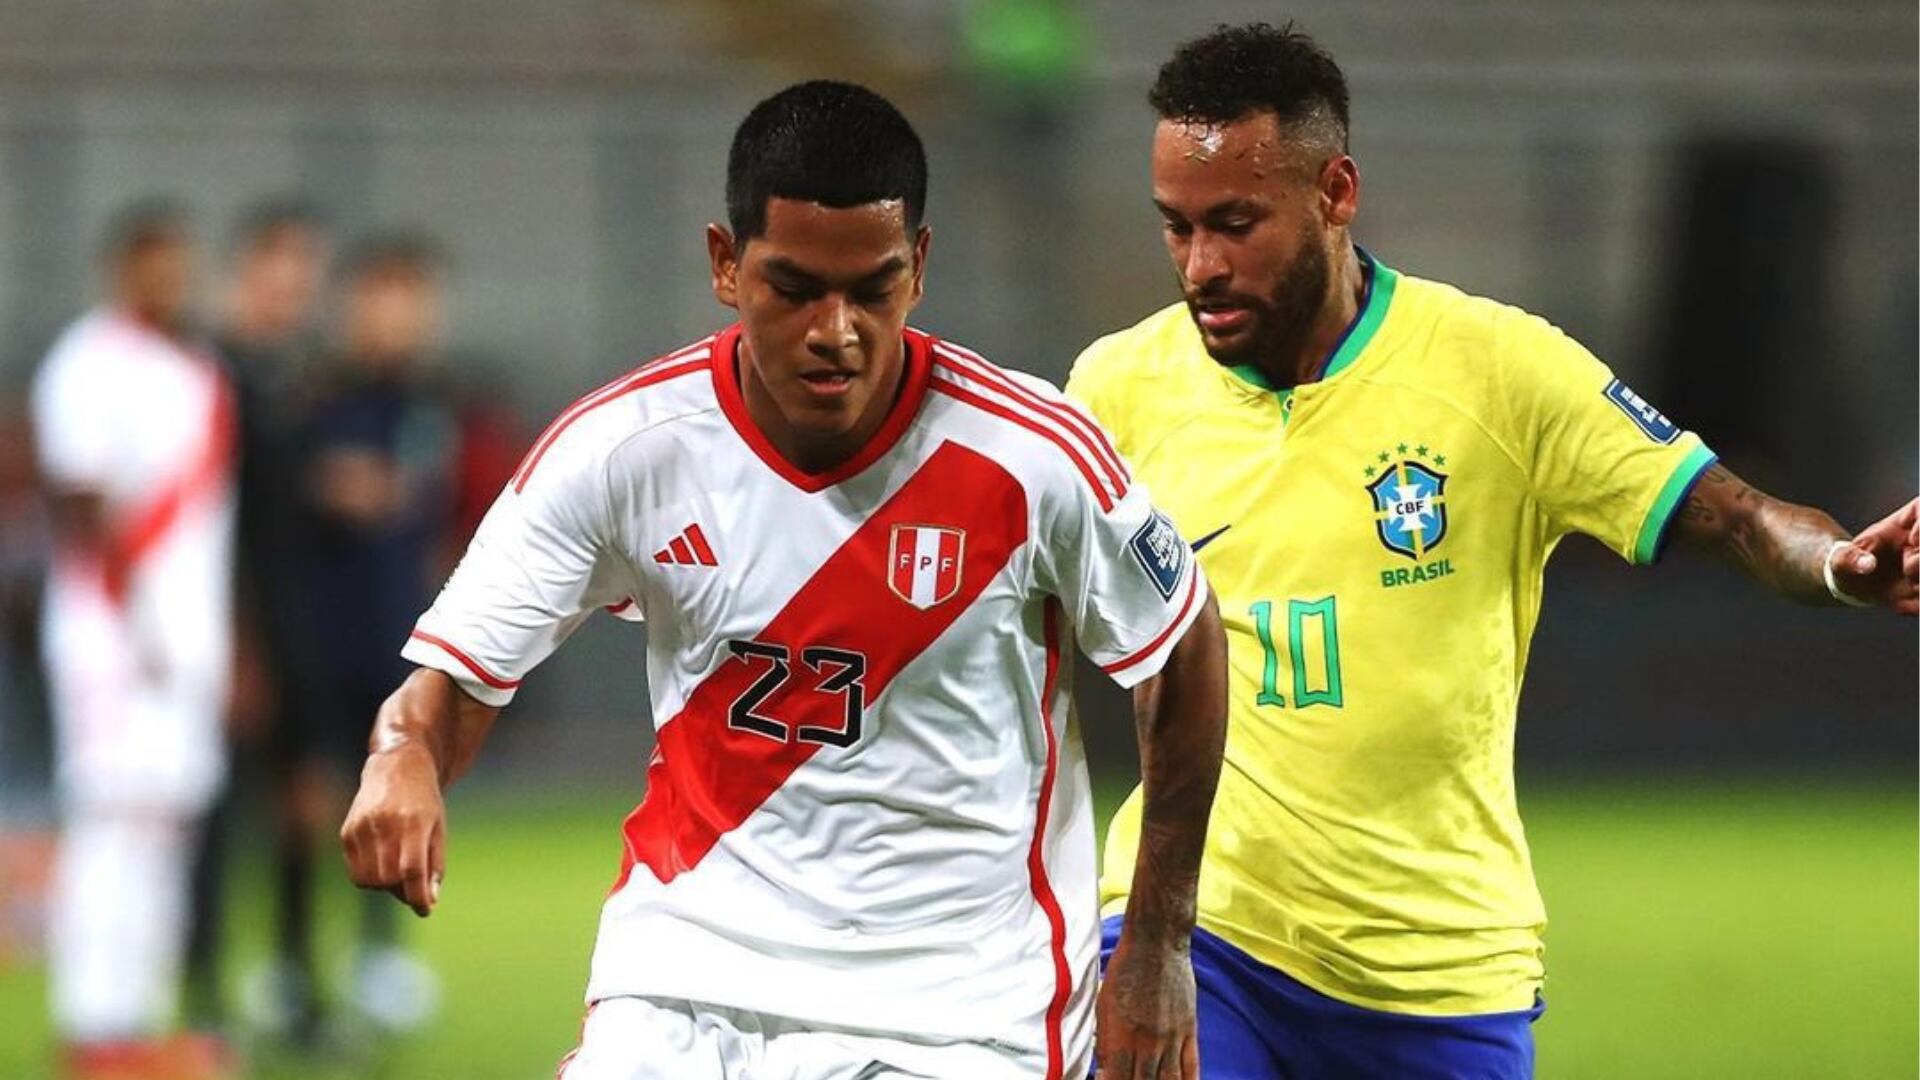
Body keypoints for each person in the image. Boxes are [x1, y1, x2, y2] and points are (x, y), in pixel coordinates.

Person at [1066, 23, 1919, 1080]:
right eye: (1177, 228)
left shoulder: (1496, 371)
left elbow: (1737, 517)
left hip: (1440, 973)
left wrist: (1840, 567)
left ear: (1335, 192)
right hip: (1209, 946)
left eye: (1236, 224)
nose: (1201, 266)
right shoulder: (1114, 390)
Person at [340, 80, 1227, 1080]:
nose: (835, 330)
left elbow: (1185, 648)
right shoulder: (627, 451)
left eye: (873, 289)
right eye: (795, 288)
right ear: (726, 263)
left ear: (919, 268)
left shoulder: (1032, 457)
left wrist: (1158, 937)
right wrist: (403, 752)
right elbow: (450, 684)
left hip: (960, 1011)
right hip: (688, 977)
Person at [31, 200, 238, 1080]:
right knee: (111, 828)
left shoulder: (188, 370)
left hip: (187, 642)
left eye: (179, 263)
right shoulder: (88, 362)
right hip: (114, 639)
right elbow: (81, 506)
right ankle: (92, 1029)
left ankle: (139, 1025)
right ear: (122, 268)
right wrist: (139, 625)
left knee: (164, 830)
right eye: (152, 263)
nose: (168, 280)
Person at [285, 235, 463, 1038]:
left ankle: (377, 959)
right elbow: (321, 490)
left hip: (396, 639)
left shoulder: (427, 403)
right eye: (389, 297)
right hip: (320, 636)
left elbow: (423, 512)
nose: (404, 317)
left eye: (416, 299)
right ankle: (293, 968)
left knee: (392, 796)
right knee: (304, 806)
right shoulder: (318, 397)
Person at [184, 197, 331, 1038]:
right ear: (243, 275)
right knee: (212, 814)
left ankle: (293, 986)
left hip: (297, 620)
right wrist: (236, 641)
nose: (290, 292)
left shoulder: (299, 378)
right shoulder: (213, 378)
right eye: (276, 275)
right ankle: (204, 996)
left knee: (305, 806)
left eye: (301, 278)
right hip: (230, 625)